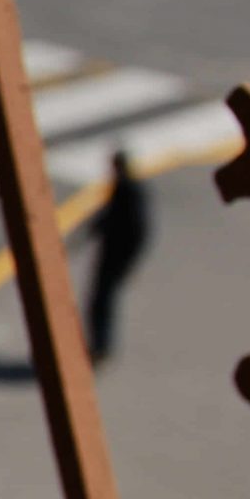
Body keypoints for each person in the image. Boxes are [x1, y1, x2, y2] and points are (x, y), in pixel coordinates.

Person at [87, 149, 151, 359]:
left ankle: (101, 345)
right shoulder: (129, 188)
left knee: (101, 301)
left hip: (115, 257)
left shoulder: (128, 190)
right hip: (114, 255)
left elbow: (131, 227)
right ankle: (99, 344)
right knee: (102, 300)